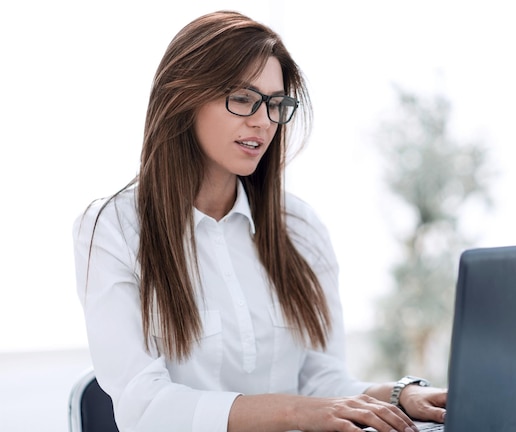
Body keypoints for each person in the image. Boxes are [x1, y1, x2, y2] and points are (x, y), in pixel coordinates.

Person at [73, 10, 447, 432]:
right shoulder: (114, 228)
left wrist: (400, 397)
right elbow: (143, 407)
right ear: (184, 97)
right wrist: (293, 411)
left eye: (275, 104)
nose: (263, 120)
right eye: (243, 99)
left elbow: (321, 381)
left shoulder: (299, 227)